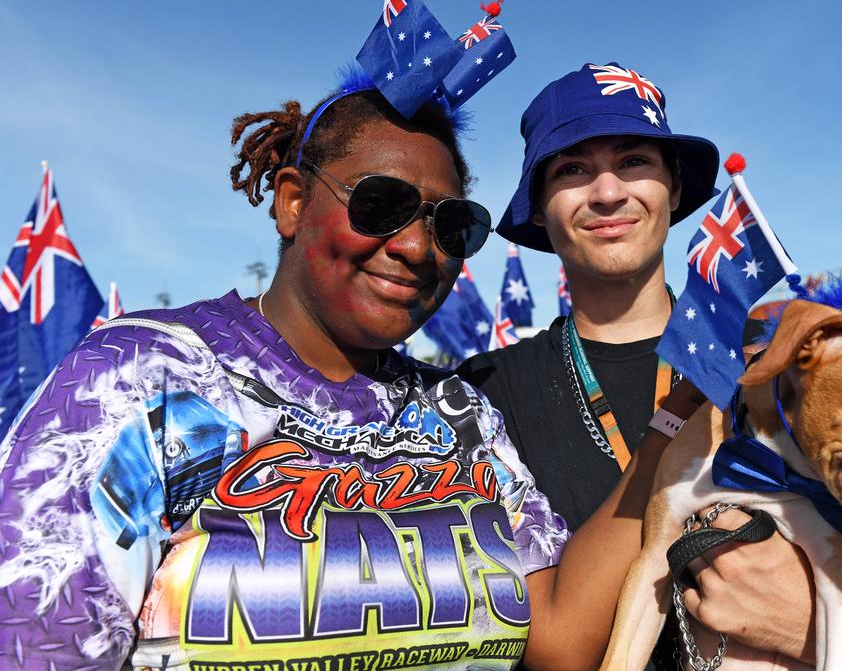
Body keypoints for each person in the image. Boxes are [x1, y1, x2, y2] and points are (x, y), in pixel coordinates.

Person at [0, 62, 689, 670]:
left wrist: (673, 427)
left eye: (450, 225)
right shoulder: (140, 377)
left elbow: (562, 640)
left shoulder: (463, 416)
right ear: (294, 201)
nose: (418, 247)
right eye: (381, 205)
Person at [459, 62, 842, 668]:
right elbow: (534, 644)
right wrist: (666, 437)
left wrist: (796, 622)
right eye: (571, 170)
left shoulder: (781, 369)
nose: (609, 192)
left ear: (674, 188)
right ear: (539, 208)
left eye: (635, 161)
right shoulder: (479, 395)